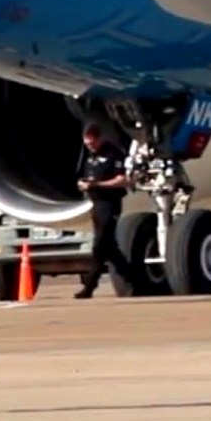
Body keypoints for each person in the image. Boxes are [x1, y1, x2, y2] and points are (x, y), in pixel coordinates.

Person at [74, 123, 134, 299]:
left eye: (92, 143)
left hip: (110, 203)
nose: (90, 146)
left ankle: (90, 286)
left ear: (99, 139)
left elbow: (122, 180)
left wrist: (97, 185)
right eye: (87, 144)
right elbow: (90, 176)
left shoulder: (113, 154)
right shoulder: (91, 157)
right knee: (109, 248)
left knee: (99, 245)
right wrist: (85, 185)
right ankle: (132, 279)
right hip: (96, 204)